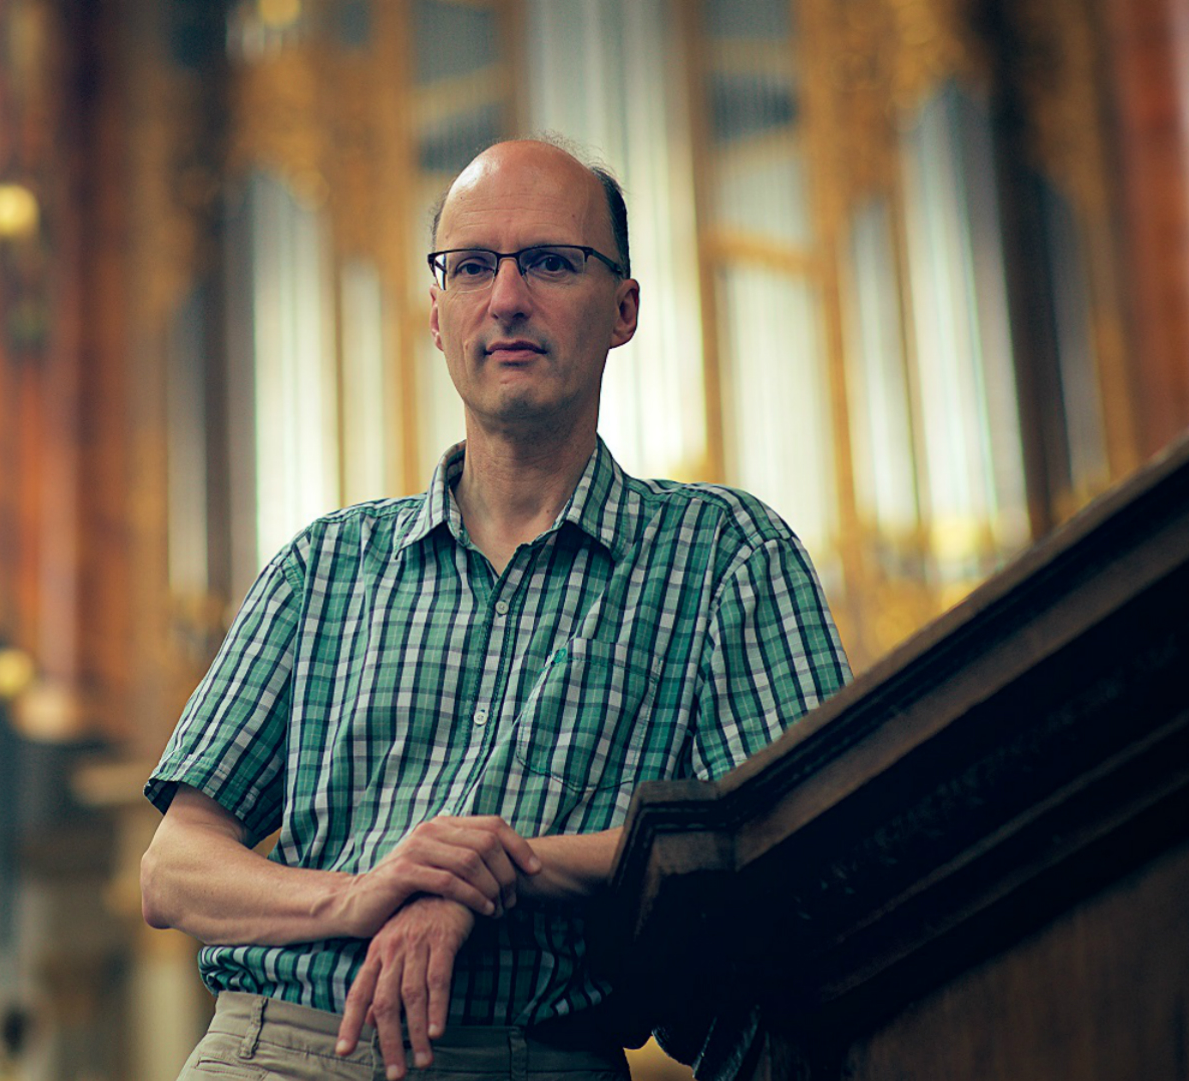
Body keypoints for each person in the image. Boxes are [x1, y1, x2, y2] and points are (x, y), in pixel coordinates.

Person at [140, 139, 850, 1080]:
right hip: (278, 1049)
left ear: (624, 309)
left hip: (533, 1056)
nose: (507, 298)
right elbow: (173, 867)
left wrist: (492, 873)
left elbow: (792, 826)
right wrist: (359, 896)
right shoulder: (326, 564)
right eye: (472, 266)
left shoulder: (721, 554)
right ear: (438, 314)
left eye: (551, 262)